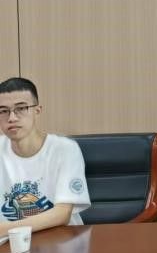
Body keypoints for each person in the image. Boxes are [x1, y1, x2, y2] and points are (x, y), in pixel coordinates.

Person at [0, 77, 90, 237]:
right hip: (10, 243)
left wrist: (5, 229)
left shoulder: (65, 149)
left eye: (21, 108)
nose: (12, 118)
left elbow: (62, 214)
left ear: (37, 111)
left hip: (61, 240)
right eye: (3, 111)